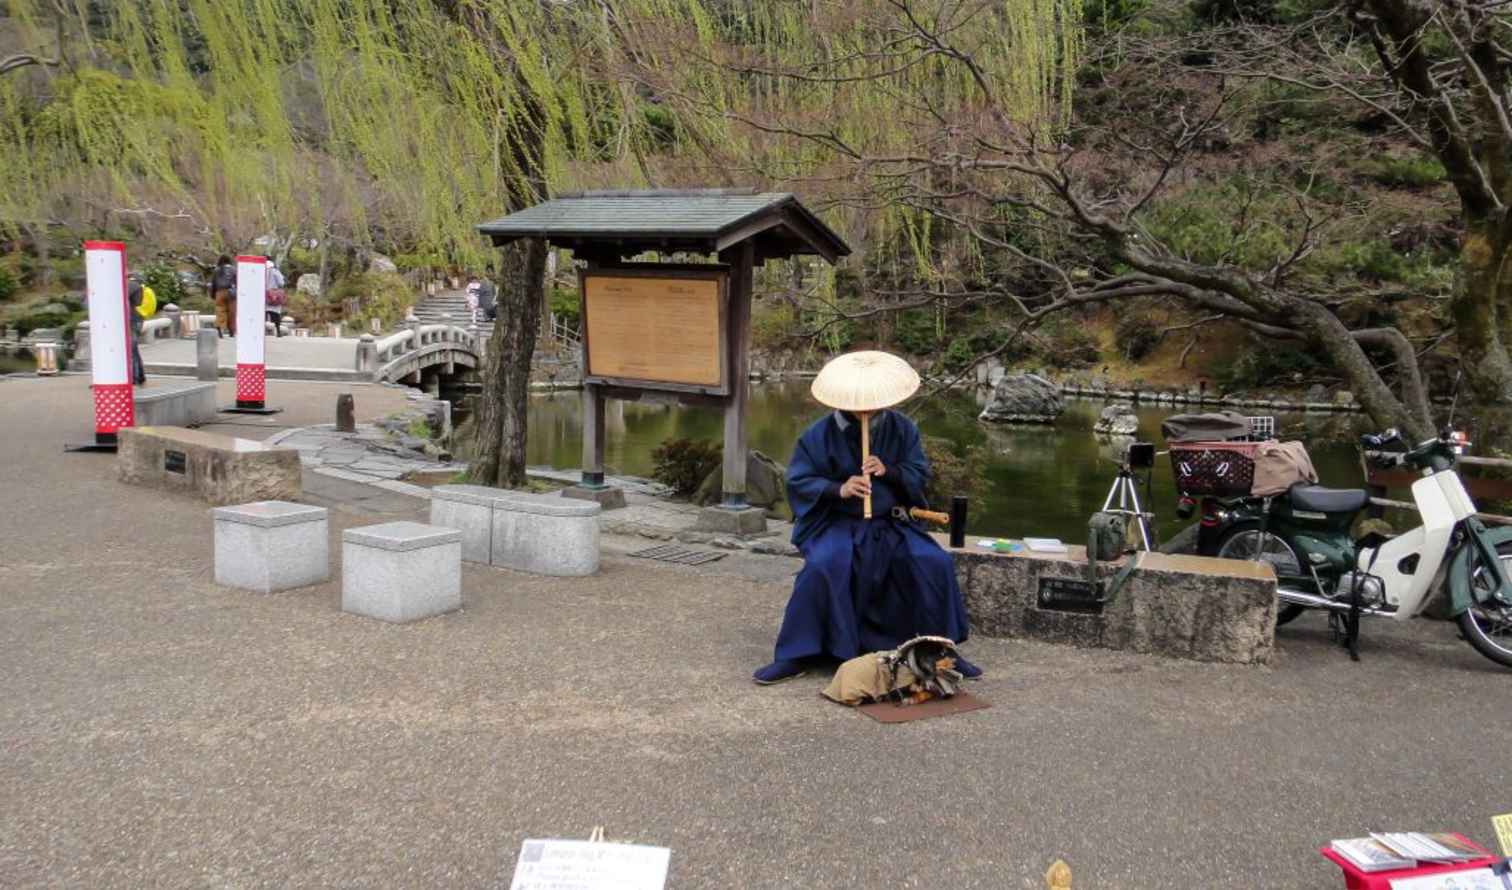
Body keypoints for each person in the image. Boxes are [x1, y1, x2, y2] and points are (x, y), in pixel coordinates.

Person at [752, 403, 978, 685]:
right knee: (824, 565)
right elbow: (798, 480)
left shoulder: (902, 428)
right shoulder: (817, 435)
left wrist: (891, 470)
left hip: (889, 522)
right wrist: (839, 489)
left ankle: (940, 650)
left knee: (932, 561)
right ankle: (798, 653)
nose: (866, 410)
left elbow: (919, 472)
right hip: (837, 523)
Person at [126, 274, 150, 386]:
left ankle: (134, 378)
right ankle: (140, 376)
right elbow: (138, 302)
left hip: (131, 319)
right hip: (137, 318)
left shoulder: (132, 285)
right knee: (134, 349)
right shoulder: (139, 286)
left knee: (131, 350)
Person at [210, 255, 236, 337]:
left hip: (219, 292)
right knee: (232, 312)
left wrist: (213, 294)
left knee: (220, 310)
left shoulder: (216, 270)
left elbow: (213, 283)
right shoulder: (234, 269)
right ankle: (231, 331)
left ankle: (219, 326)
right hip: (231, 293)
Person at [266, 260, 287, 337]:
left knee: (263, 314)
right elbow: (281, 283)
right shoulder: (275, 272)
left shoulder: (261, 271)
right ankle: (278, 331)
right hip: (274, 295)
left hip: (264, 295)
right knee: (276, 314)